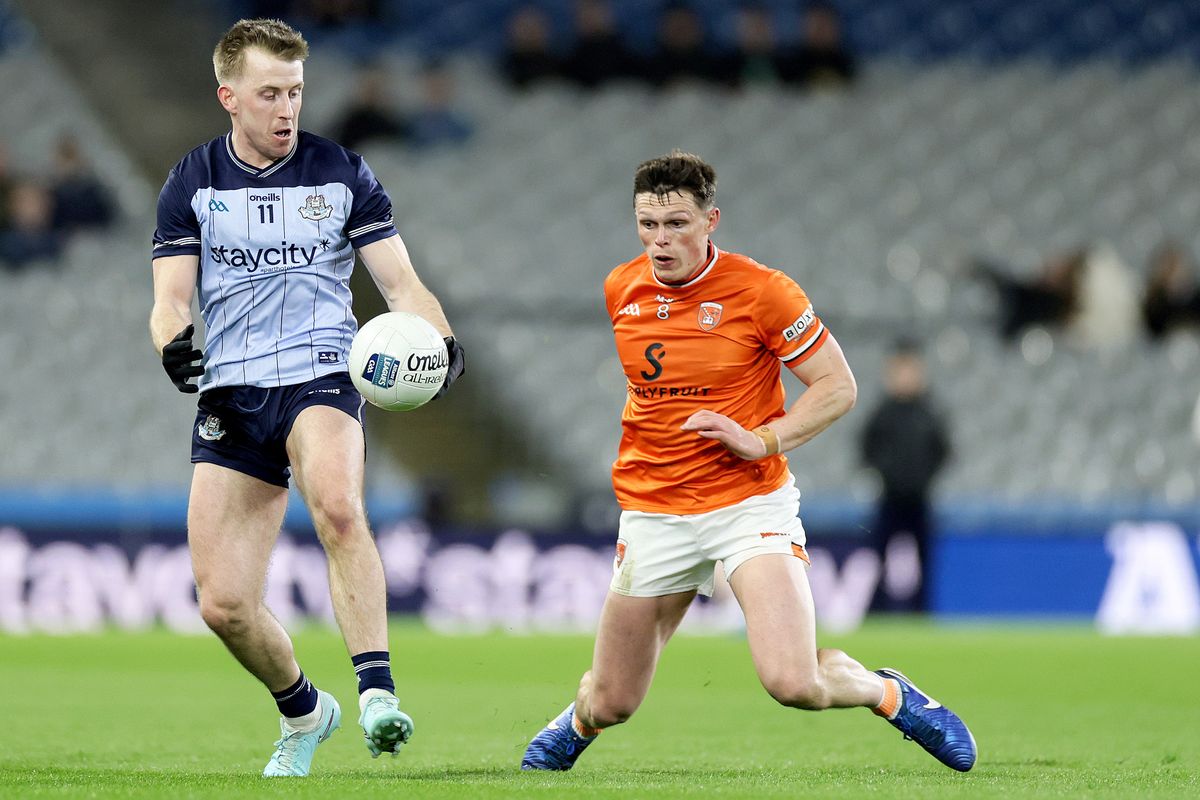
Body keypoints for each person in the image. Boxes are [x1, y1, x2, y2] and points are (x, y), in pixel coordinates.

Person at [521, 151, 975, 773]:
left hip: (748, 504)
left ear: (711, 221)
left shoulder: (763, 292)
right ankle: (579, 720)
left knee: (794, 682)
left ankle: (886, 692)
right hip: (655, 511)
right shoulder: (621, 288)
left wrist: (761, 440)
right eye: (647, 224)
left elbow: (837, 386)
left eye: (676, 224)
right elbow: (653, 390)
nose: (660, 240)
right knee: (612, 701)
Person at [149, 18, 464, 777]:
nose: (287, 108)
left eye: (295, 91)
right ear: (229, 97)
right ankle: (304, 710)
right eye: (269, 94)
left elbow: (402, 284)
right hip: (233, 389)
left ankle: (377, 694)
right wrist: (171, 342)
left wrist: (443, 338)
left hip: (323, 370)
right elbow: (169, 300)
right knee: (222, 605)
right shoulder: (193, 181)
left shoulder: (340, 171)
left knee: (339, 505)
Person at [859, 338, 950, 613]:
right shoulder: (882, 413)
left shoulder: (930, 411)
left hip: (920, 498)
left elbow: (943, 450)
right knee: (879, 556)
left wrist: (924, 477)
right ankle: (877, 610)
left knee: (924, 558)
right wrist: (885, 472)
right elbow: (866, 448)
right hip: (889, 496)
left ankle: (922, 610)